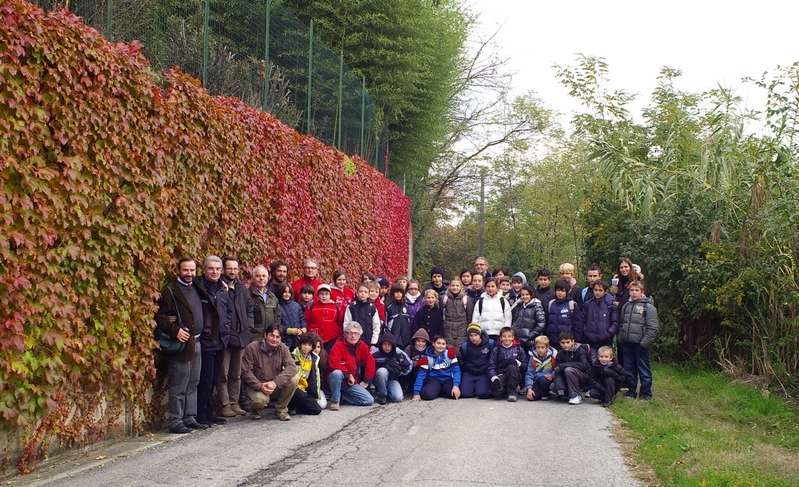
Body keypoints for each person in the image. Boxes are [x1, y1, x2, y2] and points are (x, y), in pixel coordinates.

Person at [154, 258, 216, 433]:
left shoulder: (196, 285)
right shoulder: (169, 291)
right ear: (178, 271)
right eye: (185, 270)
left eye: (191, 270)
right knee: (179, 384)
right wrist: (175, 331)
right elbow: (160, 318)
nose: (189, 273)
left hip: (197, 342)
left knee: (193, 382)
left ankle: (189, 417)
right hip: (181, 344)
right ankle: (175, 421)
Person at [194, 255, 231, 427]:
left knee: (214, 379)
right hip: (207, 340)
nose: (214, 272)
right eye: (211, 268)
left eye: (217, 269)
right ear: (204, 270)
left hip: (221, 340)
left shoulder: (223, 289)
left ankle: (209, 413)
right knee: (205, 380)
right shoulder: (198, 287)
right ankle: (200, 414)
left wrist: (227, 331)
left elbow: (227, 312)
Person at [216, 257, 253, 418]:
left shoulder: (241, 287)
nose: (232, 271)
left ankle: (234, 402)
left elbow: (249, 308)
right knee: (222, 373)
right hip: (226, 337)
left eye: (235, 269)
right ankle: (224, 405)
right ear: (223, 269)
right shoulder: (219, 286)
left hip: (241, 337)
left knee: (236, 373)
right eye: (229, 268)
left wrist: (248, 327)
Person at [241, 323, 299, 421]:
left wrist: (275, 382)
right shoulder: (252, 347)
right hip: (255, 386)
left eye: (277, 337)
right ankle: (255, 409)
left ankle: (281, 410)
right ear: (265, 335)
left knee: (294, 380)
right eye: (272, 335)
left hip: (273, 385)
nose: (274, 339)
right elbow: (246, 372)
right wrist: (260, 386)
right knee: (260, 401)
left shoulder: (283, 348)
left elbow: (292, 367)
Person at [618, 281, 659, 400]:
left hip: (640, 344)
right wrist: (621, 338)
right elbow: (622, 323)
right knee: (629, 370)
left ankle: (645, 394)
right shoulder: (626, 306)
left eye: (637, 290)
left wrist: (644, 343)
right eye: (632, 290)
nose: (634, 293)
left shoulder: (648, 307)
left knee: (644, 370)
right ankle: (631, 391)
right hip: (626, 343)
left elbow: (653, 328)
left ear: (642, 292)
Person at [327, 322, 376, 410]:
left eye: (356, 333)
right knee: (337, 373)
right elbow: (333, 363)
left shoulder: (362, 346)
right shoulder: (338, 346)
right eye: (350, 333)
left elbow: (370, 362)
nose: (353, 336)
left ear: (359, 335)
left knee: (369, 400)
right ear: (345, 335)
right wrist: (347, 374)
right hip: (338, 379)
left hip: (351, 382)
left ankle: (342, 396)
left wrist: (366, 380)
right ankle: (335, 401)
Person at [412, 335, 461, 401]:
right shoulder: (427, 357)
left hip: (447, 379)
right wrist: (416, 393)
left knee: (455, 395)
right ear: (433, 344)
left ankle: (440, 391)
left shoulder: (449, 354)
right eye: (438, 343)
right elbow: (421, 375)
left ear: (446, 345)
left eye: (443, 344)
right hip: (434, 379)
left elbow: (456, 371)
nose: (440, 346)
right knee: (427, 395)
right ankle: (435, 389)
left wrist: (456, 386)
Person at [371, 331, 413, 404]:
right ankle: (382, 395)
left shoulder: (398, 352)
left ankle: (387, 391)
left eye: (389, 344)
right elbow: (366, 365)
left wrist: (398, 373)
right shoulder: (374, 353)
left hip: (392, 377)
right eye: (384, 344)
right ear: (381, 344)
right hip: (378, 377)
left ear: (393, 345)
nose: (387, 346)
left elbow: (409, 365)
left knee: (398, 397)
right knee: (382, 371)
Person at [488, 327, 527, 401]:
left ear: (513, 337)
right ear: (500, 338)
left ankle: (512, 393)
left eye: (509, 336)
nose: (506, 339)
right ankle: (505, 390)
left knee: (512, 367)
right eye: (504, 336)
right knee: (496, 392)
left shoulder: (519, 349)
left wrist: (517, 363)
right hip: (501, 374)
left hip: (515, 374)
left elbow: (525, 366)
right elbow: (491, 366)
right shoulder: (496, 350)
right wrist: (494, 378)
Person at [289, 333, 324, 414]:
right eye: (304, 344)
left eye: (309, 345)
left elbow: (315, 379)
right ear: (300, 344)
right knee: (301, 396)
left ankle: (296, 408)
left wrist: (314, 395)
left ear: (312, 347)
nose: (306, 347)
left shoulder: (314, 358)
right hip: (293, 388)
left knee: (317, 409)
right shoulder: (292, 356)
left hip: (304, 389)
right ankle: (289, 406)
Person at [580, 279, 618, 352]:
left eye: (600, 290)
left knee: (605, 361)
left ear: (605, 291)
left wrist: (608, 334)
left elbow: (615, 322)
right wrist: (586, 332)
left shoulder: (610, 305)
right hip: (590, 340)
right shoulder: (588, 304)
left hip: (605, 341)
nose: (597, 292)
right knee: (592, 361)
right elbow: (583, 320)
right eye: (595, 290)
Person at [552, 331, 590, 404]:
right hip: (568, 378)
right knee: (553, 386)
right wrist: (560, 388)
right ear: (560, 343)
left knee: (568, 370)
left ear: (573, 341)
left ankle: (576, 395)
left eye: (568, 342)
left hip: (584, 377)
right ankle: (568, 393)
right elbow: (557, 369)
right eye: (563, 343)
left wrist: (564, 365)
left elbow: (584, 366)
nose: (565, 345)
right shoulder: (560, 354)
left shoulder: (580, 351)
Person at [543, 278, 583, 349]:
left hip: (567, 343)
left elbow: (578, 326)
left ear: (567, 292)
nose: (560, 293)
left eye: (563, 291)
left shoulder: (572, 305)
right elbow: (547, 322)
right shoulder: (551, 303)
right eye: (558, 290)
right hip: (552, 341)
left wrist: (576, 341)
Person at [458, 323, 494, 399]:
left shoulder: (490, 343)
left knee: (482, 394)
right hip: (470, 372)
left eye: (476, 335)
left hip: (484, 373)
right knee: (465, 394)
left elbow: (493, 360)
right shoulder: (464, 346)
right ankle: (472, 386)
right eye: (471, 335)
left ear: (480, 334)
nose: (473, 338)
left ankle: (480, 386)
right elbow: (463, 361)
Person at [304, 284, 342, 353]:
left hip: (332, 339)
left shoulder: (335, 307)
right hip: (314, 338)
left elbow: (340, 322)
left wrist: (338, 337)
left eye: (326, 294)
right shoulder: (312, 307)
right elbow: (306, 321)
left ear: (330, 295)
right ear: (318, 295)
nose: (324, 296)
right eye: (322, 294)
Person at [344, 283, 381, 350]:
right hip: (353, 342)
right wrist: (348, 339)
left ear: (368, 295)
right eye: (361, 291)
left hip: (368, 342)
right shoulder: (351, 307)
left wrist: (373, 343)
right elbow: (346, 325)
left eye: (365, 292)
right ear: (357, 293)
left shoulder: (372, 308)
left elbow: (376, 327)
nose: (363, 293)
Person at [249, 265, 281, 340]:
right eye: (258, 276)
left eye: (264, 276)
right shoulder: (247, 295)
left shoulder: (272, 297)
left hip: (270, 339)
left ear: (268, 278)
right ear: (253, 278)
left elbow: (277, 317)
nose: (261, 278)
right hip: (253, 338)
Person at [511, 284, 546, 352]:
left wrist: (530, 335)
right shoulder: (519, 306)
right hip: (518, 340)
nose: (525, 297)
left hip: (530, 342)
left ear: (531, 295)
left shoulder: (537, 307)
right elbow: (515, 321)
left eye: (527, 294)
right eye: (523, 295)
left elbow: (541, 324)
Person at [442, 277, 474, 350]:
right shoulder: (444, 299)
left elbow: (470, 317)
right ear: (449, 286)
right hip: (448, 330)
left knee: (461, 351)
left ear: (461, 286)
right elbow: (441, 314)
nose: (455, 287)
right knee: (449, 351)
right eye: (453, 285)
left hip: (462, 331)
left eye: (457, 285)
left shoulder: (466, 299)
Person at [525, 335, 557, 401]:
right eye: (538, 347)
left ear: (547, 347)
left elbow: (557, 368)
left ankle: (545, 394)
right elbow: (529, 374)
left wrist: (552, 375)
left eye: (542, 347)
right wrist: (529, 388)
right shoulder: (532, 358)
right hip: (536, 380)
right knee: (531, 397)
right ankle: (539, 393)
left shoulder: (553, 357)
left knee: (543, 380)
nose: (540, 350)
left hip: (548, 380)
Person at [277, 282, 306, 349]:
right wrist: (288, 330)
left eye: (289, 292)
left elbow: (302, 319)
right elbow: (276, 323)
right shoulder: (277, 306)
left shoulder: (296, 305)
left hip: (297, 340)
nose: (287, 294)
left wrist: (303, 329)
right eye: (285, 292)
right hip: (284, 340)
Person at [385, 283, 412, 350]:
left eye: (400, 292)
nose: (398, 294)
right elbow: (386, 323)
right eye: (396, 292)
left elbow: (408, 323)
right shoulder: (388, 306)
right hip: (393, 337)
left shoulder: (406, 306)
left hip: (405, 339)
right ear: (392, 293)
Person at [403, 328, 430, 393]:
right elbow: (403, 361)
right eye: (418, 341)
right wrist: (416, 363)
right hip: (410, 373)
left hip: (424, 373)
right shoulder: (409, 348)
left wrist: (449, 347)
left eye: (423, 341)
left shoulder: (429, 349)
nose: (420, 343)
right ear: (414, 341)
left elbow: (440, 347)